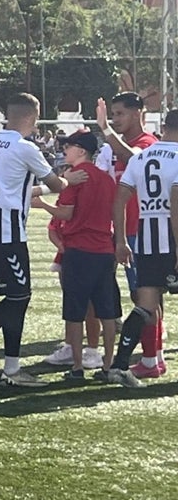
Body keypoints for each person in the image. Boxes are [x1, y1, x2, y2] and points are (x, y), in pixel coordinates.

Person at [0, 92, 67, 387]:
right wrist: (70, 181)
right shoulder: (25, 148)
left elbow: (12, 188)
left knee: (16, 297)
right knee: (20, 296)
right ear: (33, 118)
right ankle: (3, 364)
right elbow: (56, 183)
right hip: (7, 232)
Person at [31, 130, 118, 380]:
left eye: (68, 147)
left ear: (81, 150)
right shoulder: (106, 178)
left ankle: (77, 366)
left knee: (75, 311)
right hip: (104, 249)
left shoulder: (74, 179)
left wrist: (45, 205)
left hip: (79, 250)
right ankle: (108, 364)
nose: (64, 151)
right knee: (107, 310)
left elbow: (66, 214)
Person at [106, 109, 178, 387]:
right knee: (148, 306)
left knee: (145, 306)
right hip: (170, 238)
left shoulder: (141, 157)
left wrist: (122, 240)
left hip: (146, 237)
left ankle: (120, 365)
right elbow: (175, 203)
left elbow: (119, 199)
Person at [98, 92, 162, 376]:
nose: (115, 119)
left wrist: (105, 130)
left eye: (120, 114)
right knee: (146, 297)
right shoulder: (120, 145)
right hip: (131, 230)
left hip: (142, 232)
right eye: (112, 114)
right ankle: (153, 357)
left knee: (143, 297)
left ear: (138, 113)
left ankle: (150, 359)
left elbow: (130, 156)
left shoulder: (147, 144)